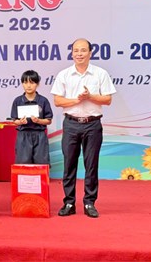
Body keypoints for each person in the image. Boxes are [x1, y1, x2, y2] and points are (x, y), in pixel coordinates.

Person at [51, 38, 116, 219]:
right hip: (71, 124)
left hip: (92, 125)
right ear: (72, 53)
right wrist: (77, 100)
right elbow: (57, 101)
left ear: (90, 53)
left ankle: (89, 202)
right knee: (69, 165)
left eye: (83, 50)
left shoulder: (100, 73)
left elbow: (107, 99)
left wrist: (90, 97)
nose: (79, 54)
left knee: (91, 165)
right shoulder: (64, 74)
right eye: (76, 50)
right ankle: (69, 202)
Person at [10, 70, 53, 165]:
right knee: (23, 163)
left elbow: (48, 120)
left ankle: (41, 175)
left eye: (32, 82)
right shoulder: (18, 101)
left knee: (41, 163)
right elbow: (14, 120)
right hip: (23, 135)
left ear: (37, 84)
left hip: (39, 135)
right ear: (22, 84)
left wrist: (38, 120)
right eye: (25, 82)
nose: (28, 86)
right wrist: (20, 122)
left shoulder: (43, 100)